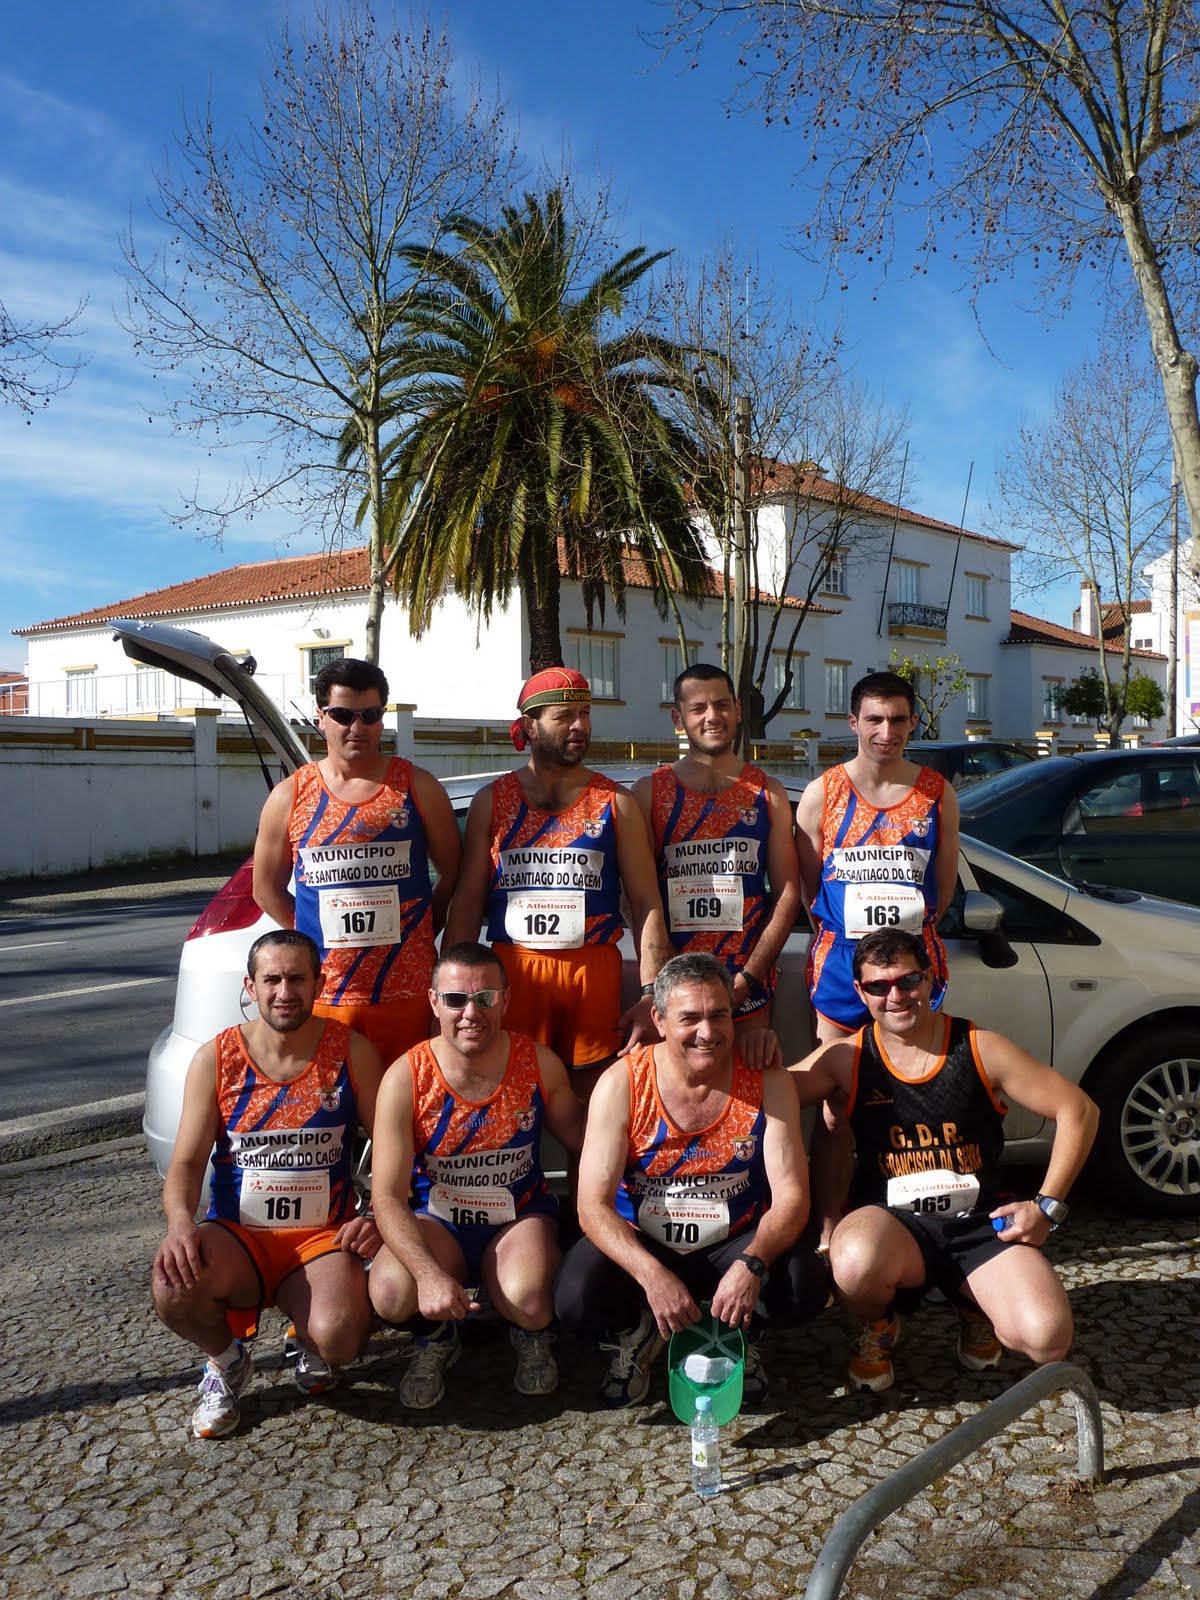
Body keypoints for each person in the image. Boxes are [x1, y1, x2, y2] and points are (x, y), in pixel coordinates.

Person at [788, 928, 1099, 1393]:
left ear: (930, 978)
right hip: (893, 1225)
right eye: (878, 986)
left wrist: (1047, 1206)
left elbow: (1079, 1110)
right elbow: (766, 1097)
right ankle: (880, 1324)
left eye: (908, 981)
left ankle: (973, 1306)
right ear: (860, 992)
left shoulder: (979, 1046)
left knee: (1047, 1338)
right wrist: (739, 1052)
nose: (896, 996)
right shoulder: (845, 1057)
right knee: (850, 1263)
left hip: (979, 1223)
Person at [555, 952, 829, 1407]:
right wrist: (651, 1275)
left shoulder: (765, 1077)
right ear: (659, 1021)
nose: (707, 1032)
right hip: (645, 1239)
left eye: (718, 1015)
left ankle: (739, 1331)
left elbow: (792, 1198)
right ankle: (637, 1331)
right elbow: (591, 1206)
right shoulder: (622, 1083)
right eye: (689, 1018)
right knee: (574, 1297)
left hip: (733, 1240)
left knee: (805, 1286)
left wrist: (752, 1264)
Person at [151, 930, 384, 1439]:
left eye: (297, 979)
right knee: (172, 1284)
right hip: (239, 1235)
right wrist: (180, 1223)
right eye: (272, 979)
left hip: (321, 1237)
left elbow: (391, 1148)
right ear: (250, 986)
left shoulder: (352, 1051)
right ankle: (226, 1361)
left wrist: (377, 1215)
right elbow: (186, 1163)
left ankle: (310, 1338)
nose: (284, 992)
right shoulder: (216, 1058)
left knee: (342, 1338)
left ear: (319, 982)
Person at [368, 942, 586, 1408]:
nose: (471, 1013)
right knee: (390, 1291)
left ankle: (528, 1331)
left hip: (518, 1218)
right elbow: (385, 1195)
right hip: (437, 1221)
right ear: (434, 1002)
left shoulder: (538, 1062)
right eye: (455, 999)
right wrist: (427, 1275)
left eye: (485, 998)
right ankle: (436, 1336)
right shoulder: (406, 1076)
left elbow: (584, 1139)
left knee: (529, 1301)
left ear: (505, 1000)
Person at [444, 668, 671, 1095]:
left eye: (585, 714)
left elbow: (646, 903)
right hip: (514, 971)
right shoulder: (492, 801)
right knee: (510, 1098)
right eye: (564, 716)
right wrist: (448, 990)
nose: (579, 726)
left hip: (591, 971)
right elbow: (468, 903)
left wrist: (651, 994)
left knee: (589, 1107)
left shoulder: (615, 802)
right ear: (530, 726)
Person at [252, 656, 462, 1067]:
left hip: (406, 993)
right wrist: (314, 938)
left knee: (406, 1103)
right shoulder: (290, 795)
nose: (357, 727)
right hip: (327, 994)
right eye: (343, 715)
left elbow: (454, 872)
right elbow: (266, 890)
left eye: (370, 715)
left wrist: (421, 930)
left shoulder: (417, 787)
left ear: (382, 719)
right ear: (321, 717)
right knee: (333, 1105)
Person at [795, 670, 960, 1045]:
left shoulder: (937, 793)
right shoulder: (822, 794)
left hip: (912, 959)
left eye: (898, 720)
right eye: (874, 719)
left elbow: (944, 889)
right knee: (837, 1071)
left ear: (913, 722)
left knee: (912, 1071)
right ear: (853, 722)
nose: (887, 732)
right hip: (841, 959)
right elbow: (810, 890)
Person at [633, 662, 802, 1030]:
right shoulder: (649, 793)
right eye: (698, 708)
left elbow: (788, 894)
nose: (712, 716)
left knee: (748, 1069)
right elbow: (637, 898)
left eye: (722, 705)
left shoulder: (768, 793)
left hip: (748, 983)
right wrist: (664, 976)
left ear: (738, 710)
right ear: (678, 717)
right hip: (675, 983)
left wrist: (749, 979)